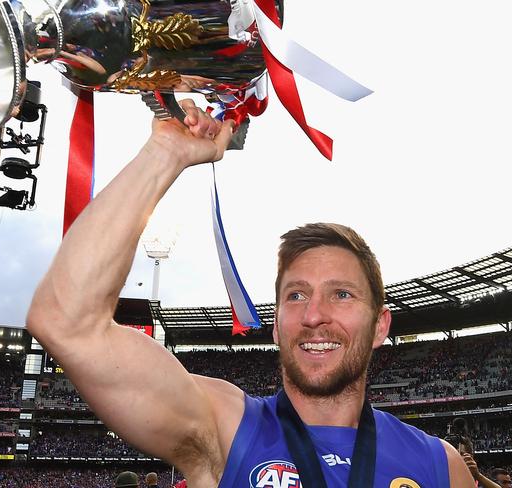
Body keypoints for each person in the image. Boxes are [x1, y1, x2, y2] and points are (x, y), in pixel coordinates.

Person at [27, 99, 475, 487]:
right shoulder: (224, 428)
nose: (315, 314)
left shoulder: (441, 466)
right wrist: (164, 154)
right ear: (277, 324)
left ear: (380, 326)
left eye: (341, 295)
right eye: (296, 296)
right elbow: (66, 322)